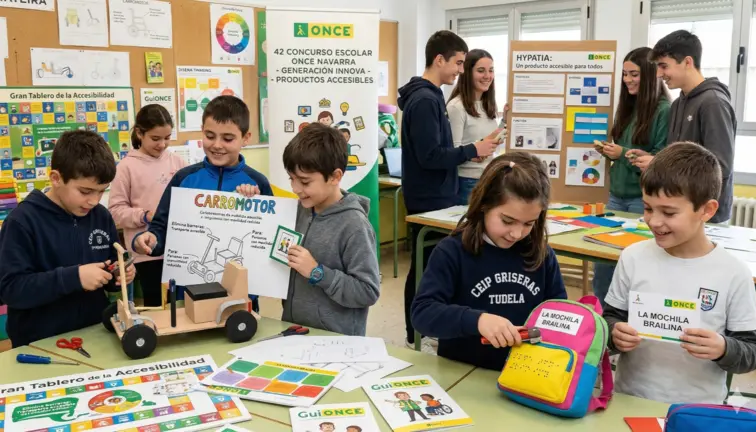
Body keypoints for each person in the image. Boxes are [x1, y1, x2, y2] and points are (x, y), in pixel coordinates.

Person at [604, 142, 756, 404]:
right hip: (629, 399)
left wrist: (723, 348)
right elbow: (609, 320)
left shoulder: (733, 273)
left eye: (668, 212)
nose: (654, 221)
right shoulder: (633, 258)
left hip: (697, 409)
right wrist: (614, 334)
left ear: (707, 210)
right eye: (647, 208)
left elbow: (751, 353)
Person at [411, 152, 567, 370]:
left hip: (525, 375)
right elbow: (423, 313)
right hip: (462, 373)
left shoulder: (541, 254)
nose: (516, 233)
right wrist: (478, 321)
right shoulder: (452, 251)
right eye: (507, 220)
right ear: (483, 204)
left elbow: (558, 311)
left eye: (529, 223)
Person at [398, 30, 501, 350]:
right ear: (438, 60)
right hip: (429, 198)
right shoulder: (427, 100)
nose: (461, 69)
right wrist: (474, 149)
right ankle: (417, 332)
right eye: (458, 63)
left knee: (428, 267)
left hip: (433, 195)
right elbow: (431, 156)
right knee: (425, 269)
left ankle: (420, 331)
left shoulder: (429, 97)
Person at [132, 96, 272, 311]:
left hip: (240, 296)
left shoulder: (258, 184)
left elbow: (267, 239)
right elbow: (161, 227)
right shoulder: (184, 178)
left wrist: (255, 207)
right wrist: (149, 240)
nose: (217, 145)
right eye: (209, 136)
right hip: (187, 295)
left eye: (228, 138)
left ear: (245, 138)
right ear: (202, 132)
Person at [0, 130, 136, 347]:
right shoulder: (22, 222)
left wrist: (119, 274)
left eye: (101, 191)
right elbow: (11, 290)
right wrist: (74, 278)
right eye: (85, 191)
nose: (94, 201)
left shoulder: (100, 216)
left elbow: (109, 270)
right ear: (56, 178)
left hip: (94, 335)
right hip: (38, 342)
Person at [279, 123, 379, 336]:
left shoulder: (354, 225)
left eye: (304, 181)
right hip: (295, 330)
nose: (296, 189)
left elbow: (368, 291)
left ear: (335, 177)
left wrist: (317, 272)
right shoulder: (299, 210)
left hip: (337, 340)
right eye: (292, 179)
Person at [591, 47, 671, 307]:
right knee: (603, 266)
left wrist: (622, 152)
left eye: (634, 74)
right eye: (625, 74)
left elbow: (661, 159)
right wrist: (609, 152)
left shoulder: (663, 110)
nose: (627, 80)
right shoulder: (627, 106)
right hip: (616, 197)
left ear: (649, 75)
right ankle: (604, 325)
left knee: (639, 267)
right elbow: (626, 151)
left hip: (642, 200)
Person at [641, 30, 736, 223]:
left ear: (687, 62)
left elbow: (721, 167)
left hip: (707, 216)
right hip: (679, 212)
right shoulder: (678, 104)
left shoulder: (713, 102)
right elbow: (679, 155)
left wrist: (661, 165)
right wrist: (657, 161)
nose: (659, 74)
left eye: (663, 66)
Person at [109, 104, 186, 307]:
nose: (162, 144)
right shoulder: (126, 167)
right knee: (157, 306)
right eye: (155, 138)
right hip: (147, 253)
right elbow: (115, 212)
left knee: (183, 306)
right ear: (140, 133)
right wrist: (145, 216)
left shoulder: (178, 162)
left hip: (180, 249)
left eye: (167, 138)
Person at [447, 49, 506, 204]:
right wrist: (477, 150)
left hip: (488, 179)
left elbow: (490, 141)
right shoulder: (456, 107)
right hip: (466, 182)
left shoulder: (487, 105)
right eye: (481, 71)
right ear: (467, 73)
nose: (487, 76)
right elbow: (452, 152)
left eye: (491, 70)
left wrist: (505, 121)